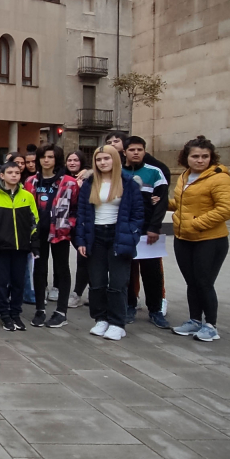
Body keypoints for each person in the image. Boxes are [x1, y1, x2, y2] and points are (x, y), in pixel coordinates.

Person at [75, 146, 145, 341]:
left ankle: (117, 323)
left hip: (118, 235)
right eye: (99, 160)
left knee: (117, 283)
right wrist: (80, 239)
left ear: (115, 160)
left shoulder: (128, 183)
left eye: (106, 158)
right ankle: (101, 318)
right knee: (96, 282)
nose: (103, 162)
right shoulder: (90, 183)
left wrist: (132, 236)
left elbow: (138, 214)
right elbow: (81, 213)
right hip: (95, 235)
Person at [168, 136, 230, 342]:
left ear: (211, 158)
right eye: (195, 156)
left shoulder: (219, 177)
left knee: (204, 282)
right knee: (192, 282)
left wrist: (196, 223)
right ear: (186, 158)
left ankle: (210, 325)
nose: (200, 160)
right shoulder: (184, 176)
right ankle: (194, 320)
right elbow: (182, 204)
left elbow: (226, 209)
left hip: (210, 240)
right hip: (183, 238)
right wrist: (162, 203)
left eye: (205, 156)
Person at [23, 144, 79, 328]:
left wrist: (68, 225)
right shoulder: (31, 182)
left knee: (61, 268)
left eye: (50, 157)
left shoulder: (69, 182)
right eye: (43, 157)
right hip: (37, 233)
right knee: (39, 270)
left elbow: (76, 209)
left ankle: (61, 311)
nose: (46, 160)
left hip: (59, 233)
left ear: (57, 159)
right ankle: (40, 309)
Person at [0, 161, 38, 331]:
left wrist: (33, 242)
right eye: (10, 172)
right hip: (1, 248)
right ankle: (5, 315)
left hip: (21, 247)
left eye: (17, 172)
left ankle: (16, 314)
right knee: (1, 283)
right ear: (2, 175)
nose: (14, 175)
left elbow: (34, 221)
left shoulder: (27, 196)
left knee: (18, 282)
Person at [122, 136, 171, 327]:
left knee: (152, 273)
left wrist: (154, 227)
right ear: (124, 151)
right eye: (132, 149)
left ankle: (156, 310)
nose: (136, 153)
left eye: (140, 149)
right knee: (127, 271)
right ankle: (129, 306)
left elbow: (162, 202)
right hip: (126, 231)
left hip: (148, 232)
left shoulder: (155, 172)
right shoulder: (117, 172)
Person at [65, 149, 90, 308]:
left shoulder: (89, 177)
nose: (72, 163)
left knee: (86, 258)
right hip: (68, 224)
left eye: (76, 160)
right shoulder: (63, 178)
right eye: (70, 160)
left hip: (85, 224)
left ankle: (79, 293)